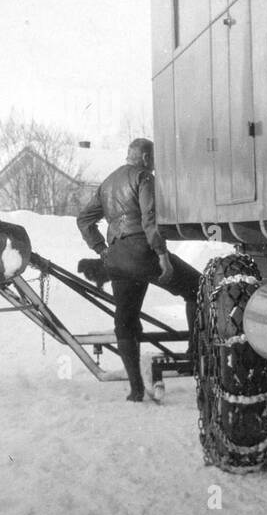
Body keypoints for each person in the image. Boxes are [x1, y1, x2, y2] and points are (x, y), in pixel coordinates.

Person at [76, 138, 201, 401]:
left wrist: (101, 249)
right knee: (198, 288)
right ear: (145, 158)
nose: (154, 164)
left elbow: (84, 219)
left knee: (125, 319)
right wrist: (162, 256)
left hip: (116, 258)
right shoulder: (144, 177)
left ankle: (135, 389)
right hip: (144, 253)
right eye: (153, 159)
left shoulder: (108, 182)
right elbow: (149, 219)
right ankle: (194, 353)